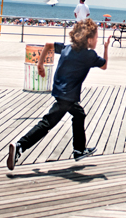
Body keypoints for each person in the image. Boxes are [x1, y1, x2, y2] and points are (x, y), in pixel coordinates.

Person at [7, 19, 110, 170]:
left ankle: (79, 150)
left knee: (79, 114)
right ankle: (20, 146)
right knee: (47, 124)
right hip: (67, 97)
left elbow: (48, 45)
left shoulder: (67, 48)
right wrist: (106, 48)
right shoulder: (89, 55)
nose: (97, 40)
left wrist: (40, 64)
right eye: (96, 38)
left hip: (60, 92)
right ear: (89, 39)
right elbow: (104, 65)